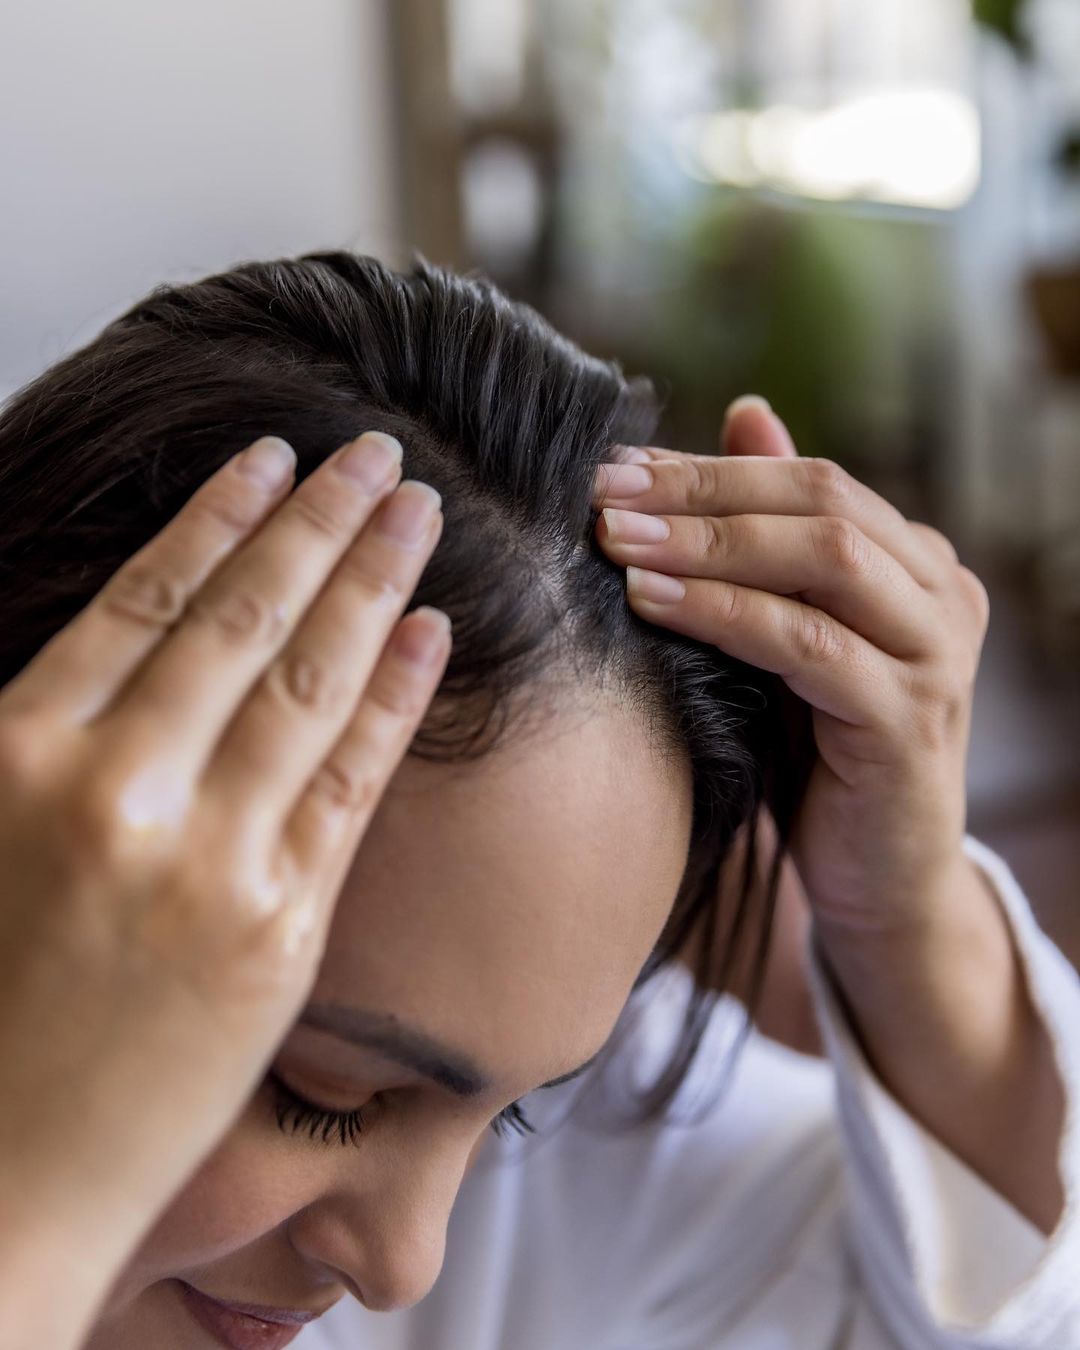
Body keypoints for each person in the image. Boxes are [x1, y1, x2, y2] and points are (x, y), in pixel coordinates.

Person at [0, 252, 1076, 1350]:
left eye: (512, 1109)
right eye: (321, 1097)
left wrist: (905, 921)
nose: (405, 1264)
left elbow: (973, 1286)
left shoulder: (557, 1176)